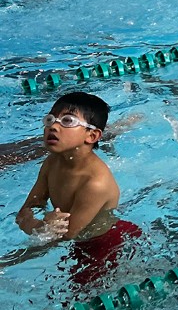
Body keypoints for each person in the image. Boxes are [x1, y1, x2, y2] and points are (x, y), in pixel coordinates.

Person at [15, 93, 140, 284]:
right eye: (50, 119)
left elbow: (67, 234)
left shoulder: (95, 183)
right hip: (80, 239)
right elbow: (29, 208)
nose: (53, 126)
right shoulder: (52, 162)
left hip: (106, 245)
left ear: (92, 135)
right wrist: (39, 226)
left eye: (67, 121)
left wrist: (35, 231)